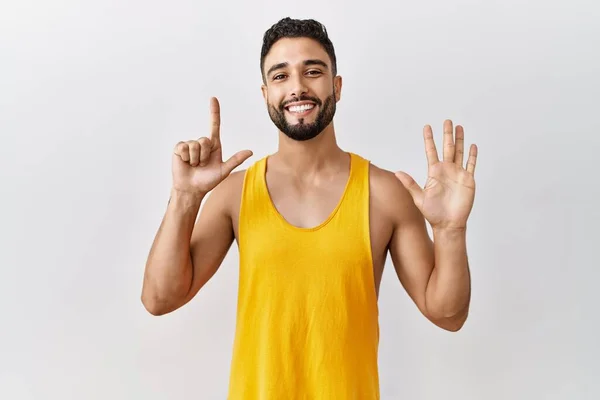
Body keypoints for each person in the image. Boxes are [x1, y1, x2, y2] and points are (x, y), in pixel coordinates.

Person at [141, 17, 478, 400]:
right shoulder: (235, 193)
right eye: (281, 76)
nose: (298, 87)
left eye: (313, 71)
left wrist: (451, 231)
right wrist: (185, 198)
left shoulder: (385, 193)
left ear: (336, 85)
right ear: (266, 93)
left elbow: (448, 315)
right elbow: (159, 299)